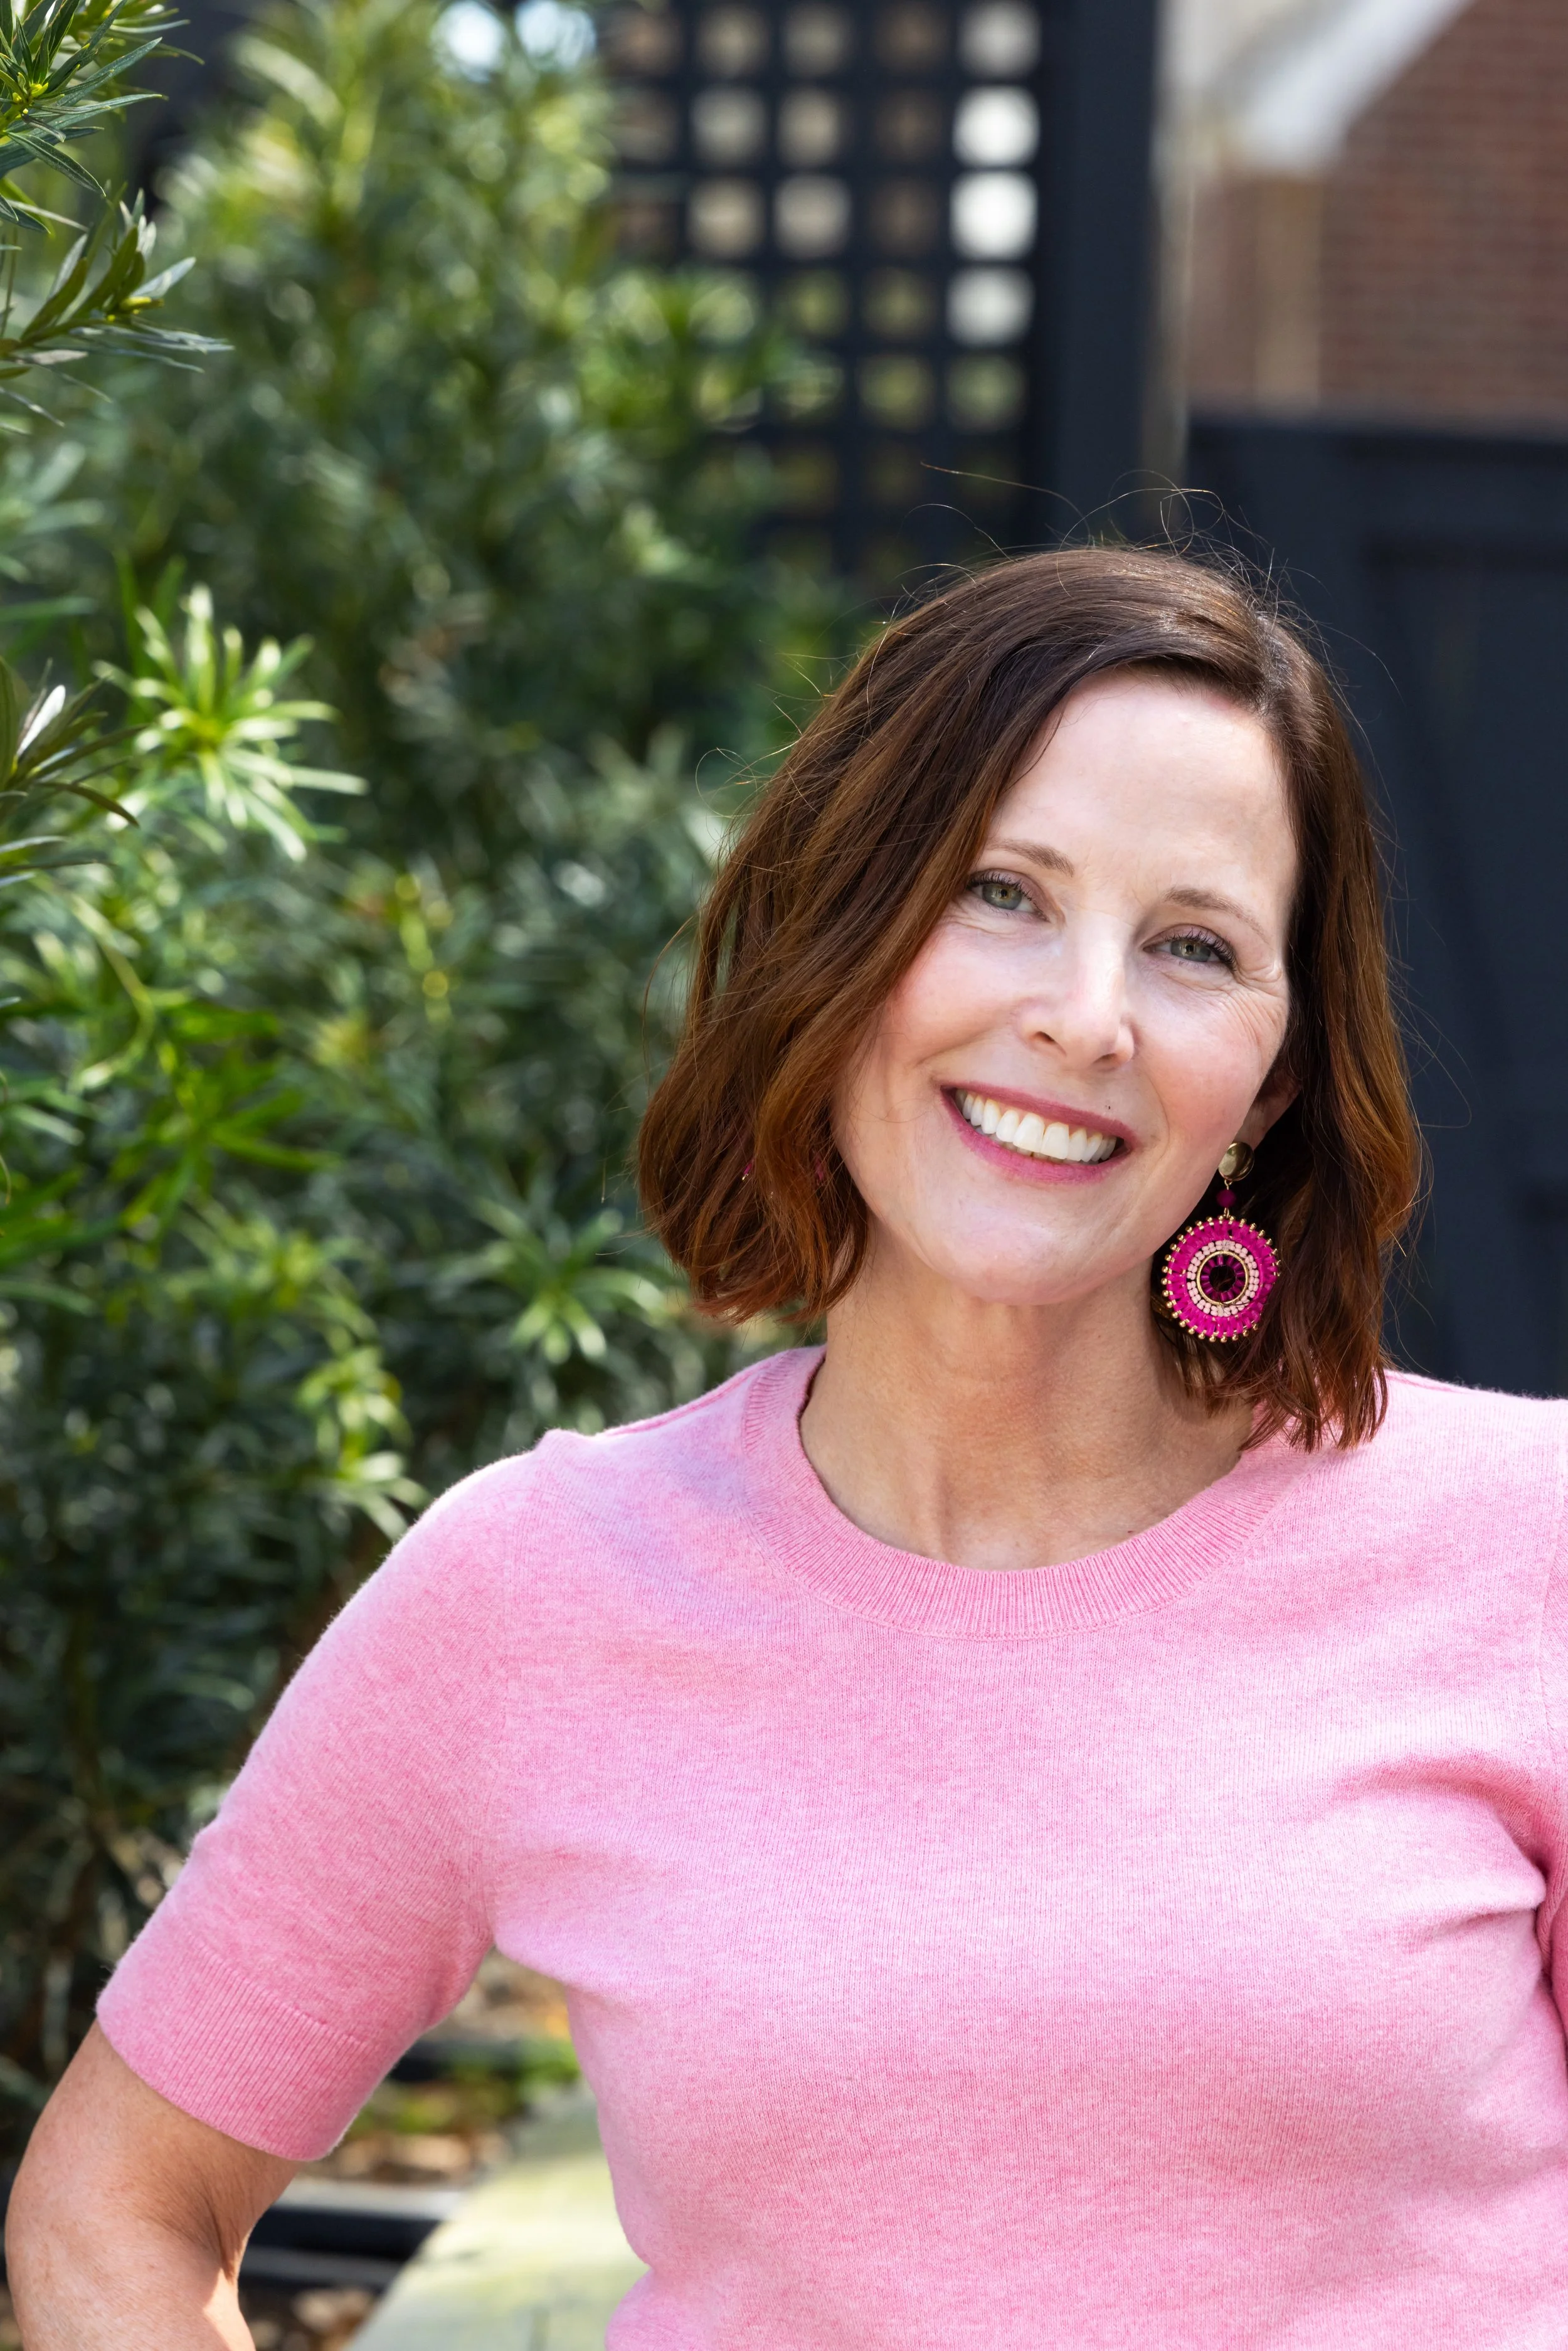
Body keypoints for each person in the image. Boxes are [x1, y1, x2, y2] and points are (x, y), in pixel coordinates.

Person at [9, 546, 1567, 2351]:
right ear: (844, 940)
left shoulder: (1526, 1544)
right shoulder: (537, 1584)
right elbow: (111, 2203)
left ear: (1276, 1076)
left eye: (1192, 945)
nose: (1083, 1013)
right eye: (998, 891)